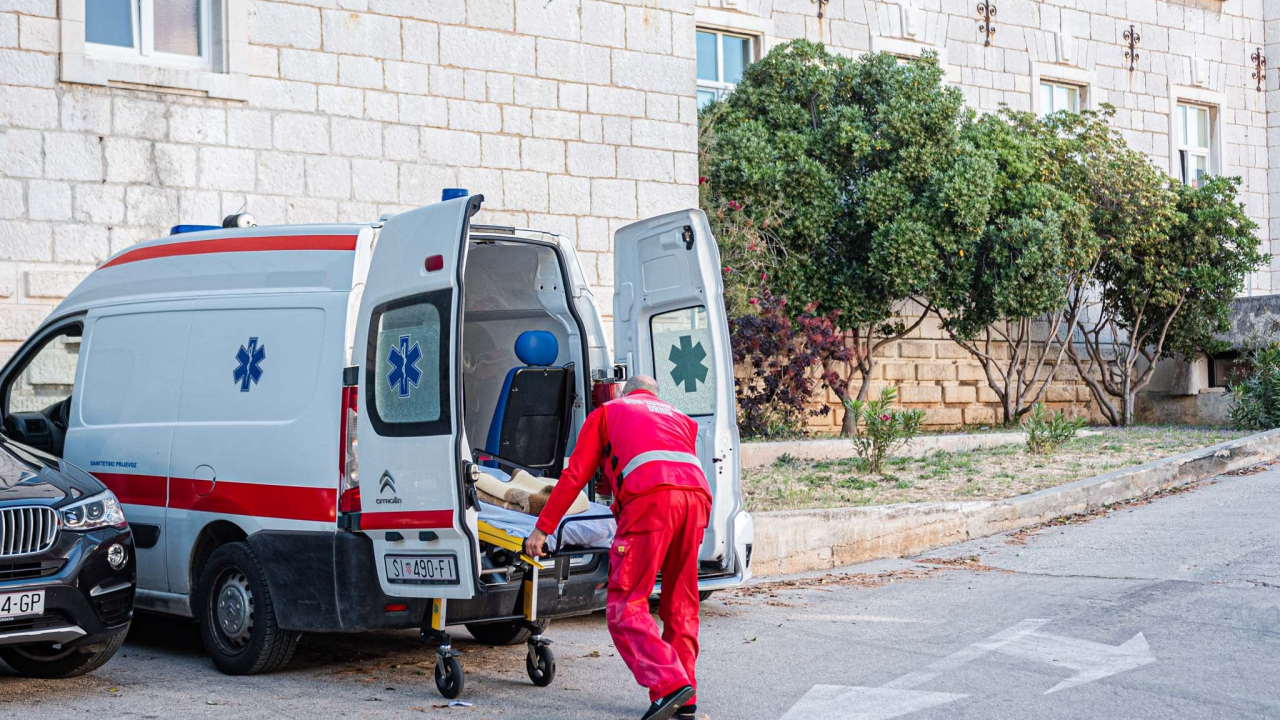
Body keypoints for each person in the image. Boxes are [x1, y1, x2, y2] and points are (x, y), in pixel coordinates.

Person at [524, 375, 712, 720]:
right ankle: (686, 698)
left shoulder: (608, 411)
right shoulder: (678, 417)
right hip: (697, 501)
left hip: (651, 500)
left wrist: (542, 530)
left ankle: (670, 683)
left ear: (626, 392)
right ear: (655, 396)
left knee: (625, 605)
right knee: (680, 603)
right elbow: (673, 468)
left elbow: (574, 477)